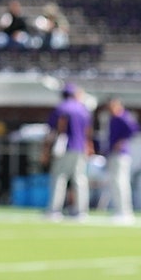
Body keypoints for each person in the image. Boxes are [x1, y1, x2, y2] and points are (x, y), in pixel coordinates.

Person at [42, 83, 93, 221]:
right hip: (80, 148)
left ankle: (54, 210)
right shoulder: (83, 110)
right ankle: (81, 211)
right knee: (80, 179)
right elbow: (88, 132)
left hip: (64, 147)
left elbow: (53, 130)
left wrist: (46, 150)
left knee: (59, 178)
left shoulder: (61, 108)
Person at [101, 96, 139, 224]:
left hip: (120, 154)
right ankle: (120, 210)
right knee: (115, 183)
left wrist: (122, 141)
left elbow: (134, 129)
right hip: (113, 153)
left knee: (120, 183)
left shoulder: (123, 116)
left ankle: (124, 212)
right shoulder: (114, 118)